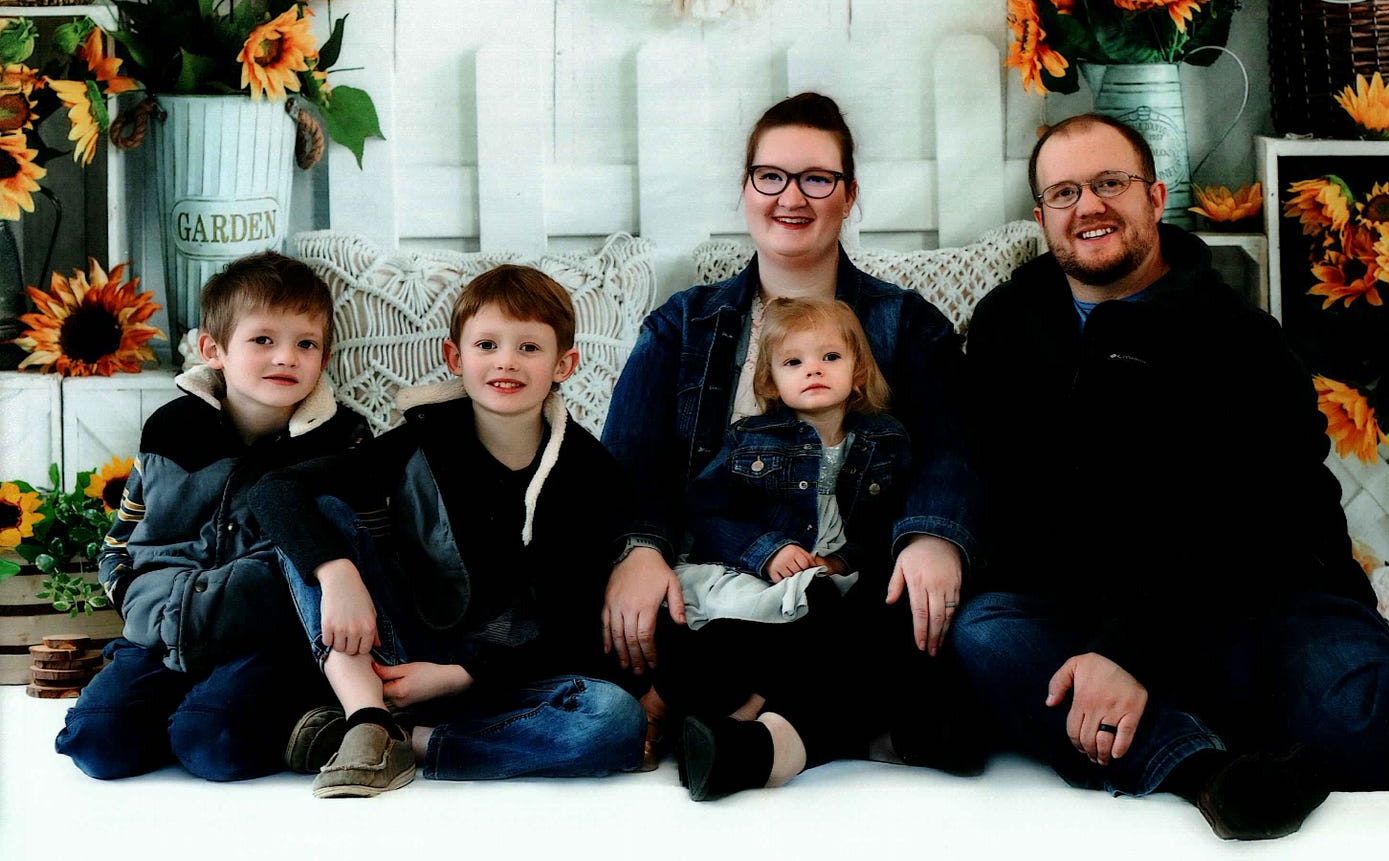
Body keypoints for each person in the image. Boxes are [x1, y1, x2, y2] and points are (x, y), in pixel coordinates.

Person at [949, 113, 1389, 840]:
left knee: (1347, 709)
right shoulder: (1007, 325)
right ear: (1041, 218)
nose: (1087, 205)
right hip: (1094, 603)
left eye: (1109, 183)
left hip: (1270, 595)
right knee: (989, 633)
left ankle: (1284, 737)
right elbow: (1002, 491)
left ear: (1155, 197)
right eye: (1064, 192)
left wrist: (1131, 650)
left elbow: (1254, 523)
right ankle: (1214, 772)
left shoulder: (1238, 337)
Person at [601, 92, 977, 789]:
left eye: (816, 178)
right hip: (719, 590)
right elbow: (630, 468)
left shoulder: (905, 324)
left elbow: (950, 449)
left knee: (898, 613)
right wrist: (640, 549)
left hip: (850, 588)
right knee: (674, 625)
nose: (791, 197)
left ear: (849, 194)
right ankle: (864, 722)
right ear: (746, 189)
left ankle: (757, 735)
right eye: (770, 175)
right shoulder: (682, 325)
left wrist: (932, 535)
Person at [252, 264, 646, 798]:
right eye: (487, 344)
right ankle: (366, 717)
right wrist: (338, 574)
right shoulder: (421, 442)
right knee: (321, 509)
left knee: (613, 718)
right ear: (455, 358)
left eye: (529, 348)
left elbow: (571, 622)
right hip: (399, 656)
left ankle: (408, 743)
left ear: (565, 364)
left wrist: (463, 675)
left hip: (507, 678)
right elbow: (275, 490)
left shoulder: (590, 472)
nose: (506, 361)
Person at [54, 251, 370, 781]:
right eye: (263, 340)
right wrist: (135, 601)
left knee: (212, 745)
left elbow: (351, 542)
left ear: (325, 355)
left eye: (305, 344)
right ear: (213, 349)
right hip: (161, 627)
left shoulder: (340, 439)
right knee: (96, 744)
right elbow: (123, 536)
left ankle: (288, 715)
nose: (286, 357)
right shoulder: (171, 429)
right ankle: (175, 710)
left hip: (263, 639)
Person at [647, 297, 911, 799]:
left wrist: (843, 560)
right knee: (739, 638)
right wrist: (766, 549)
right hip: (754, 575)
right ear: (770, 382)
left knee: (851, 617)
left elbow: (886, 528)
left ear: (857, 371)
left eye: (830, 357)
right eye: (794, 362)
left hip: (830, 579)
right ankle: (711, 712)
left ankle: (746, 728)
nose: (813, 369)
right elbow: (706, 511)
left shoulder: (886, 441)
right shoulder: (752, 439)